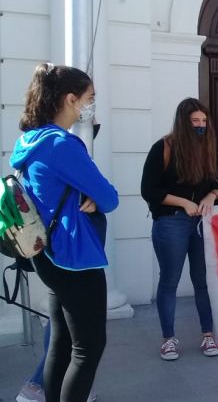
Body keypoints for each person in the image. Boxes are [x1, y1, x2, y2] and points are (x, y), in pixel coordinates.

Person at [10, 63, 119, 401]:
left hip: (48, 255)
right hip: (74, 258)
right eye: (90, 98)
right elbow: (109, 197)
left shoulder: (31, 140)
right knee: (88, 348)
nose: (91, 106)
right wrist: (93, 197)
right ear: (71, 99)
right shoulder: (62, 144)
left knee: (61, 339)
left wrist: (84, 195)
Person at [141, 97, 218, 359]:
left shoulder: (209, 147)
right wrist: (184, 203)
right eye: (195, 122)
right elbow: (149, 190)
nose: (201, 126)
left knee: (203, 280)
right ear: (183, 123)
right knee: (170, 280)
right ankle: (168, 339)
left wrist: (211, 196)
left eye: (203, 121)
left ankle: (208, 336)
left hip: (201, 223)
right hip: (171, 222)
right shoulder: (163, 147)